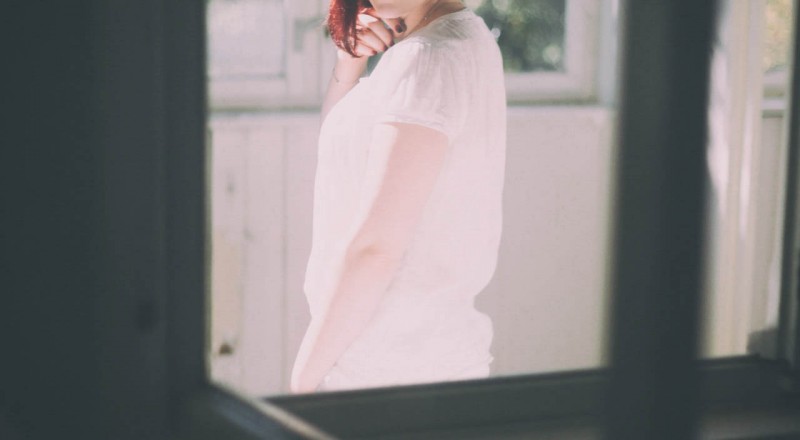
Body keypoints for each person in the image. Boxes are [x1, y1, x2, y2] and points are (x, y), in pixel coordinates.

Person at [290, 0, 507, 393]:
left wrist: (302, 381)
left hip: (389, 372)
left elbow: (377, 248)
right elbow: (346, 161)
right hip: (399, 363)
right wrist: (349, 64)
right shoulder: (455, 39)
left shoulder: (427, 59)